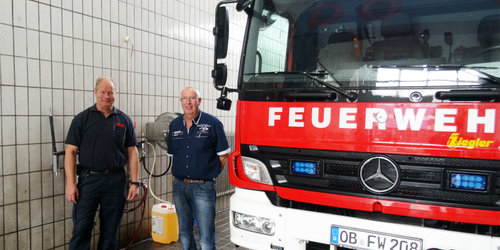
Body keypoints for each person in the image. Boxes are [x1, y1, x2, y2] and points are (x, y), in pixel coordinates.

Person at [64, 77, 139, 250]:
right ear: (95, 93)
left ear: (115, 94)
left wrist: (134, 182)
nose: (107, 96)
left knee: (111, 230)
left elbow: (132, 151)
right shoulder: (82, 119)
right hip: (89, 180)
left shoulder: (124, 120)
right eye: (103, 92)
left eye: (110, 92)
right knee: (82, 227)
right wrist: (70, 183)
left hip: (116, 181)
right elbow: (70, 152)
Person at [166, 87, 231, 250]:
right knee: (184, 233)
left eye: (192, 98)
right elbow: (173, 154)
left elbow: (223, 155)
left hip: (204, 187)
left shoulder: (213, 123)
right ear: (181, 102)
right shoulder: (174, 125)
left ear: (199, 101)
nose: (188, 102)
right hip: (180, 187)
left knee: (206, 237)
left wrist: (210, 174)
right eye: (184, 99)